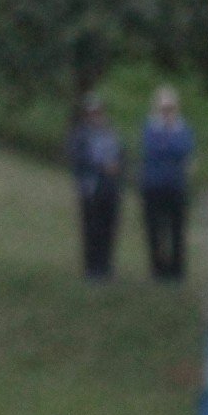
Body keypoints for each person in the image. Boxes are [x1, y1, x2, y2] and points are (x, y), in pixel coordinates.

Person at [139, 86, 194, 282]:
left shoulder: (183, 128)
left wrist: (168, 145)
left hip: (176, 186)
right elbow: (153, 149)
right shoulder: (150, 126)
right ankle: (157, 268)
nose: (167, 112)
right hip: (153, 185)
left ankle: (177, 270)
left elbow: (184, 149)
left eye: (170, 107)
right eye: (164, 108)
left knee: (177, 229)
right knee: (155, 228)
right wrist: (170, 146)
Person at [68, 95, 125, 281]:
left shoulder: (111, 133)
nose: (96, 116)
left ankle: (106, 266)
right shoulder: (81, 135)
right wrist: (101, 165)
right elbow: (78, 158)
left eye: (99, 112)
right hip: (91, 187)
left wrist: (118, 167)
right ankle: (92, 268)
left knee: (109, 227)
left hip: (110, 187)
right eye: (92, 112)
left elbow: (121, 155)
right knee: (92, 228)